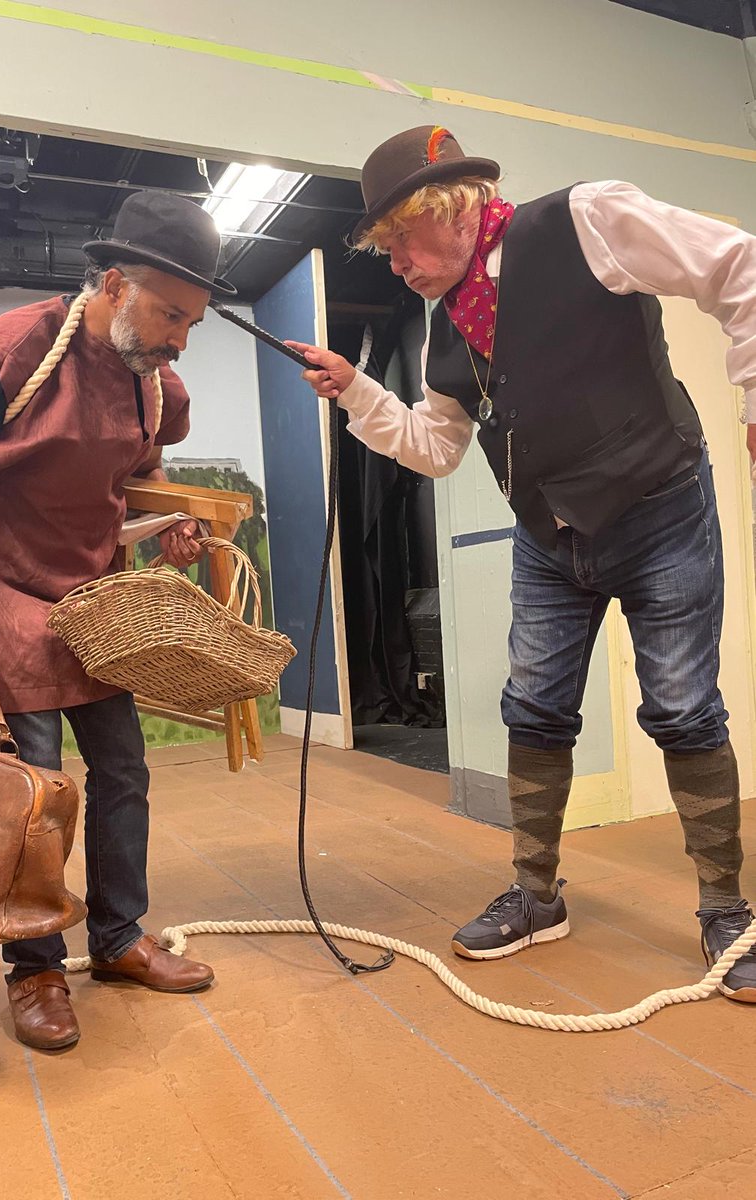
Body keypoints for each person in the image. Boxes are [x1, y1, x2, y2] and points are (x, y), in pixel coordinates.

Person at [290, 125, 756, 1003]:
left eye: (400, 242)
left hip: (660, 509)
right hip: (549, 536)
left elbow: (738, 267)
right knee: (535, 706)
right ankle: (538, 896)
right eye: (382, 250)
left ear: (453, 208)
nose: (395, 265)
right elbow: (435, 447)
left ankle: (727, 910)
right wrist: (354, 388)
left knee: (685, 708)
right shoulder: (441, 334)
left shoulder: (586, 219)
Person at [0, 190, 232, 1049]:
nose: (179, 338)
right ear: (116, 285)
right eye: (171, 313)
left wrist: (175, 529)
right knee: (37, 792)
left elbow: (135, 482)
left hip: (96, 605)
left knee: (124, 776)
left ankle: (120, 939)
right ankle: (38, 970)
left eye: (193, 323)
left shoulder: (156, 385)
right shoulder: (13, 350)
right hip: (9, 594)